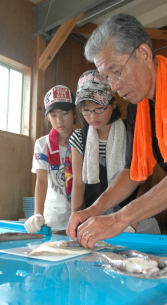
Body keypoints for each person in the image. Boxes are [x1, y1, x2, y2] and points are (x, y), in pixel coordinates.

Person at [66, 13, 167, 247]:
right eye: (107, 78)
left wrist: (120, 218)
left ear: (144, 54)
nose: (115, 87)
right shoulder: (139, 110)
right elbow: (131, 173)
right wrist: (94, 210)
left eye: (116, 70)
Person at [68, 69, 160, 234]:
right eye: (86, 110)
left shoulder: (131, 130)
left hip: (133, 218)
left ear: (113, 102)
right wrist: (75, 216)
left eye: (99, 107)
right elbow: (78, 184)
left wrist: (135, 220)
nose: (92, 116)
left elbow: (145, 180)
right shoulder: (79, 138)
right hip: (94, 219)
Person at [25, 85, 76, 233]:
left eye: (65, 113)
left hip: (78, 218)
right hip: (51, 219)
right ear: (48, 117)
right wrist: (37, 213)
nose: (59, 120)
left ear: (74, 113)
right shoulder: (42, 144)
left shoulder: (83, 141)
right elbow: (41, 180)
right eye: (53, 115)